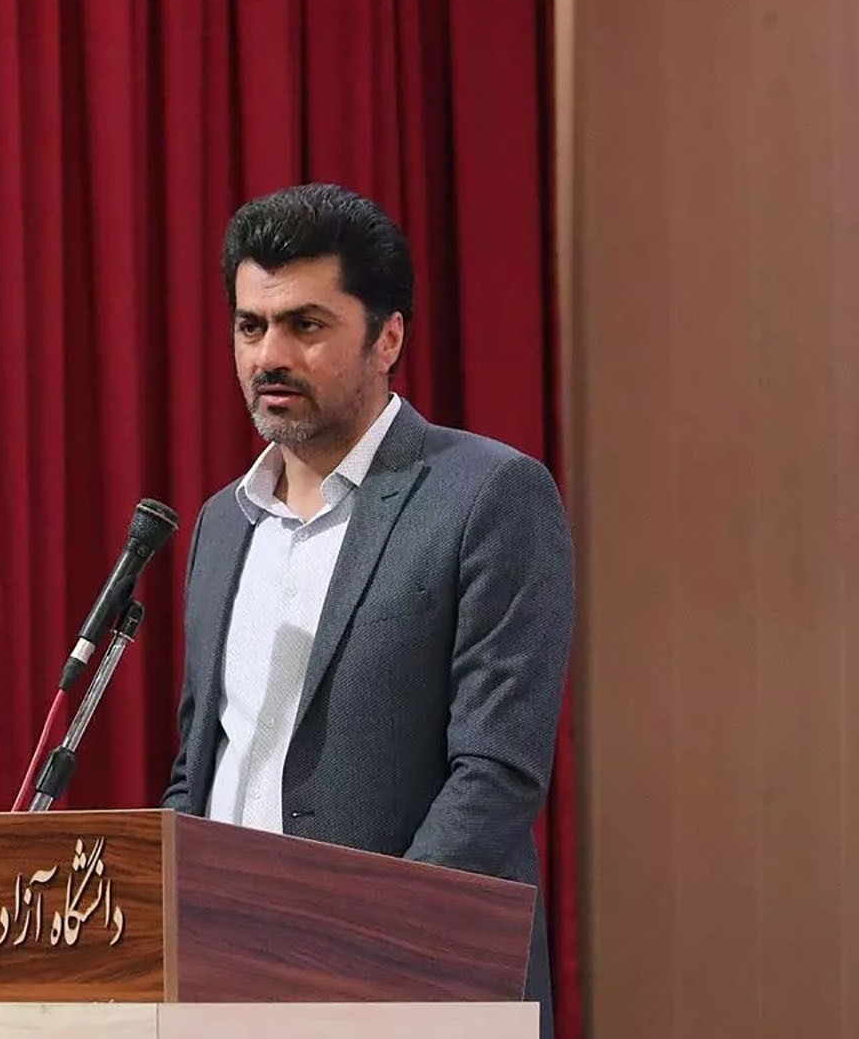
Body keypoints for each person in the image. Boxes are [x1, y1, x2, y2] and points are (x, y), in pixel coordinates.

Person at [160, 183, 573, 1038]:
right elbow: (201, 765)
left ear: (388, 337)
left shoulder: (488, 495)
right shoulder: (221, 525)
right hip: (226, 983)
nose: (270, 355)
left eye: (305, 325)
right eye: (250, 326)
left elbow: (495, 775)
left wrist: (361, 954)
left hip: (412, 986)